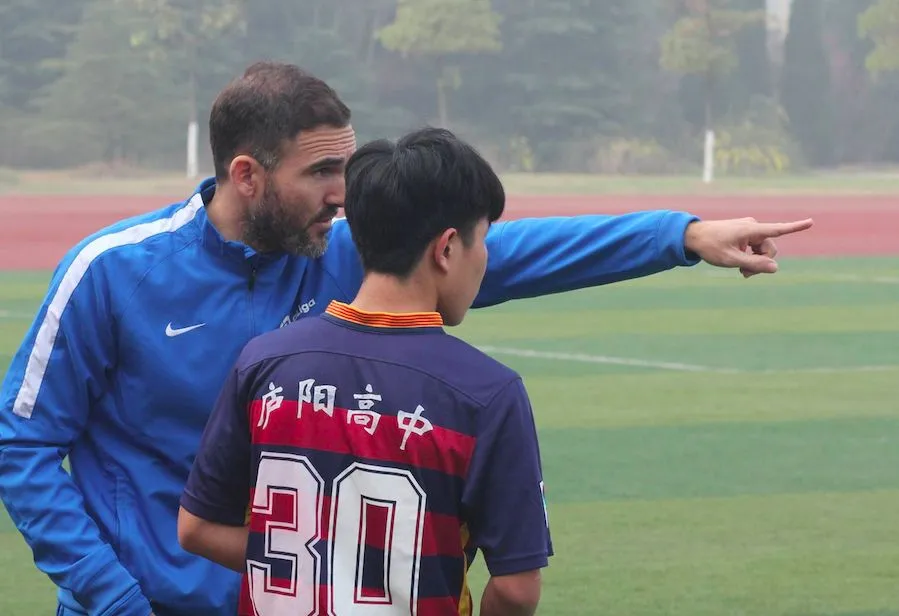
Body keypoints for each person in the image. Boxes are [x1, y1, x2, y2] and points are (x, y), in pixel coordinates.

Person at [0, 61, 812, 616]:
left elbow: (514, 252)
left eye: (347, 168)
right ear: (246, 174)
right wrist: (112, 597)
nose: (342, 192)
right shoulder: (110, 272)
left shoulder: (345, 248)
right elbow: (22, 444)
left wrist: (682, 235)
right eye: (320, 172)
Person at [177, 126, 551, 616]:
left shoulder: (264, 363)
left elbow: (197, 529)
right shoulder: (486, 393)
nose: (484, 260)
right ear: (446, 248)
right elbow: (517, 588)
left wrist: (317, 563)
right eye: (483, 241)